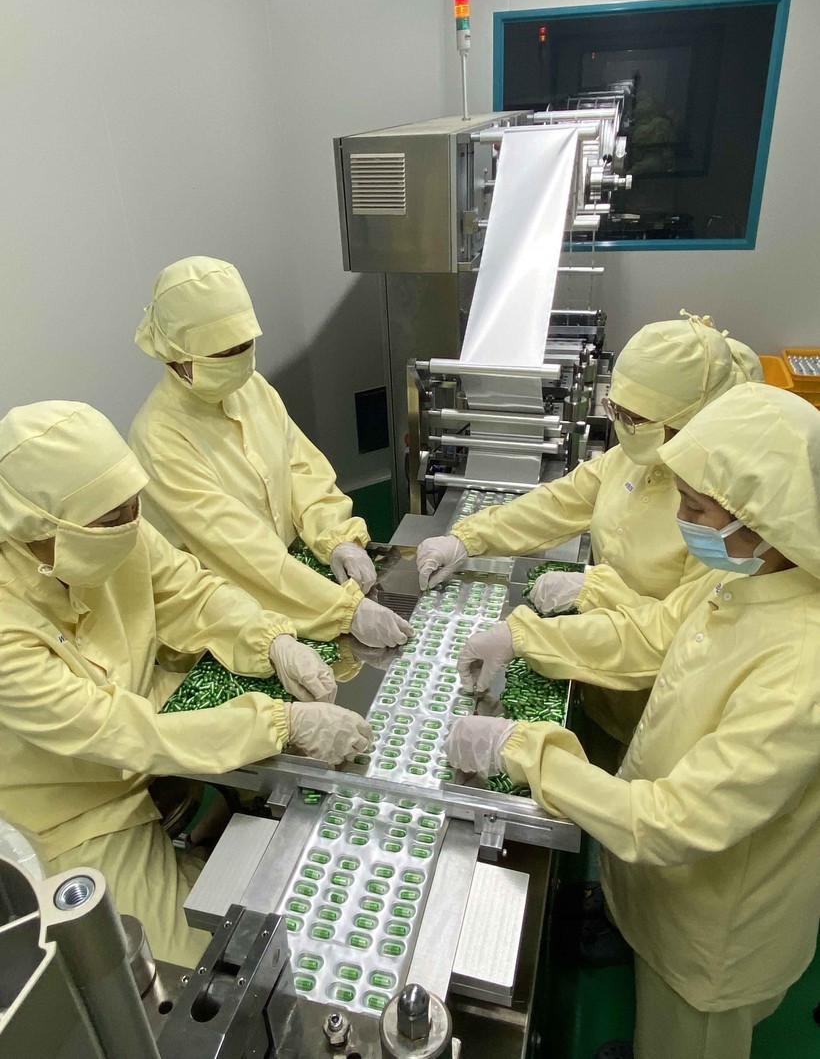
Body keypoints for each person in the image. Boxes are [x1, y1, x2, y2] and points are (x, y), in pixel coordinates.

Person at [445, 383, 820, 1059]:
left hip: (714, 935)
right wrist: (522, 636)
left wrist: (521, 749)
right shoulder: (747, 575)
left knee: (685, 1035)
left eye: (696, 508)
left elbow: (672, 822)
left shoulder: (800, 669)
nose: (680, 519)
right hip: (668, 887)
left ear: (762, 519)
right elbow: (649, 635)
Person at [0, 401, 372, 967]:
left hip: (149, 708)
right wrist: (281, 723)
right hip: (74, 800)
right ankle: (205, 854)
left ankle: (216, 832)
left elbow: (190, 592)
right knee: (182, 957)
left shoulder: (112, 526)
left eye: (134, 506)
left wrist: (271, 640)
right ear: (38, 526)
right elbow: (113, 729)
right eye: (112, 517)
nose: (131, 523)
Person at [417, 311, 762, 747]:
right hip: (595, 674)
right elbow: (561, 502)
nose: (620, 424)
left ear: (686, 420)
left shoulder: (728, 510)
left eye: (634, 418)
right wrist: (467, 538)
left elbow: (672, 633)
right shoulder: (640, 456)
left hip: (663, 711)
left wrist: (578, 600)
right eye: (615, 408)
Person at [130, 256, 411, 649]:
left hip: (288, 581)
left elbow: (300, 469)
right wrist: (341, 610)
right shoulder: (159, 438)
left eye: (245, 345)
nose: (239, 359)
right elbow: (237, 547)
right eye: (223, 353)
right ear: (177, 354)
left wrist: (337, 537)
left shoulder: (252, 388)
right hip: (225, 617)